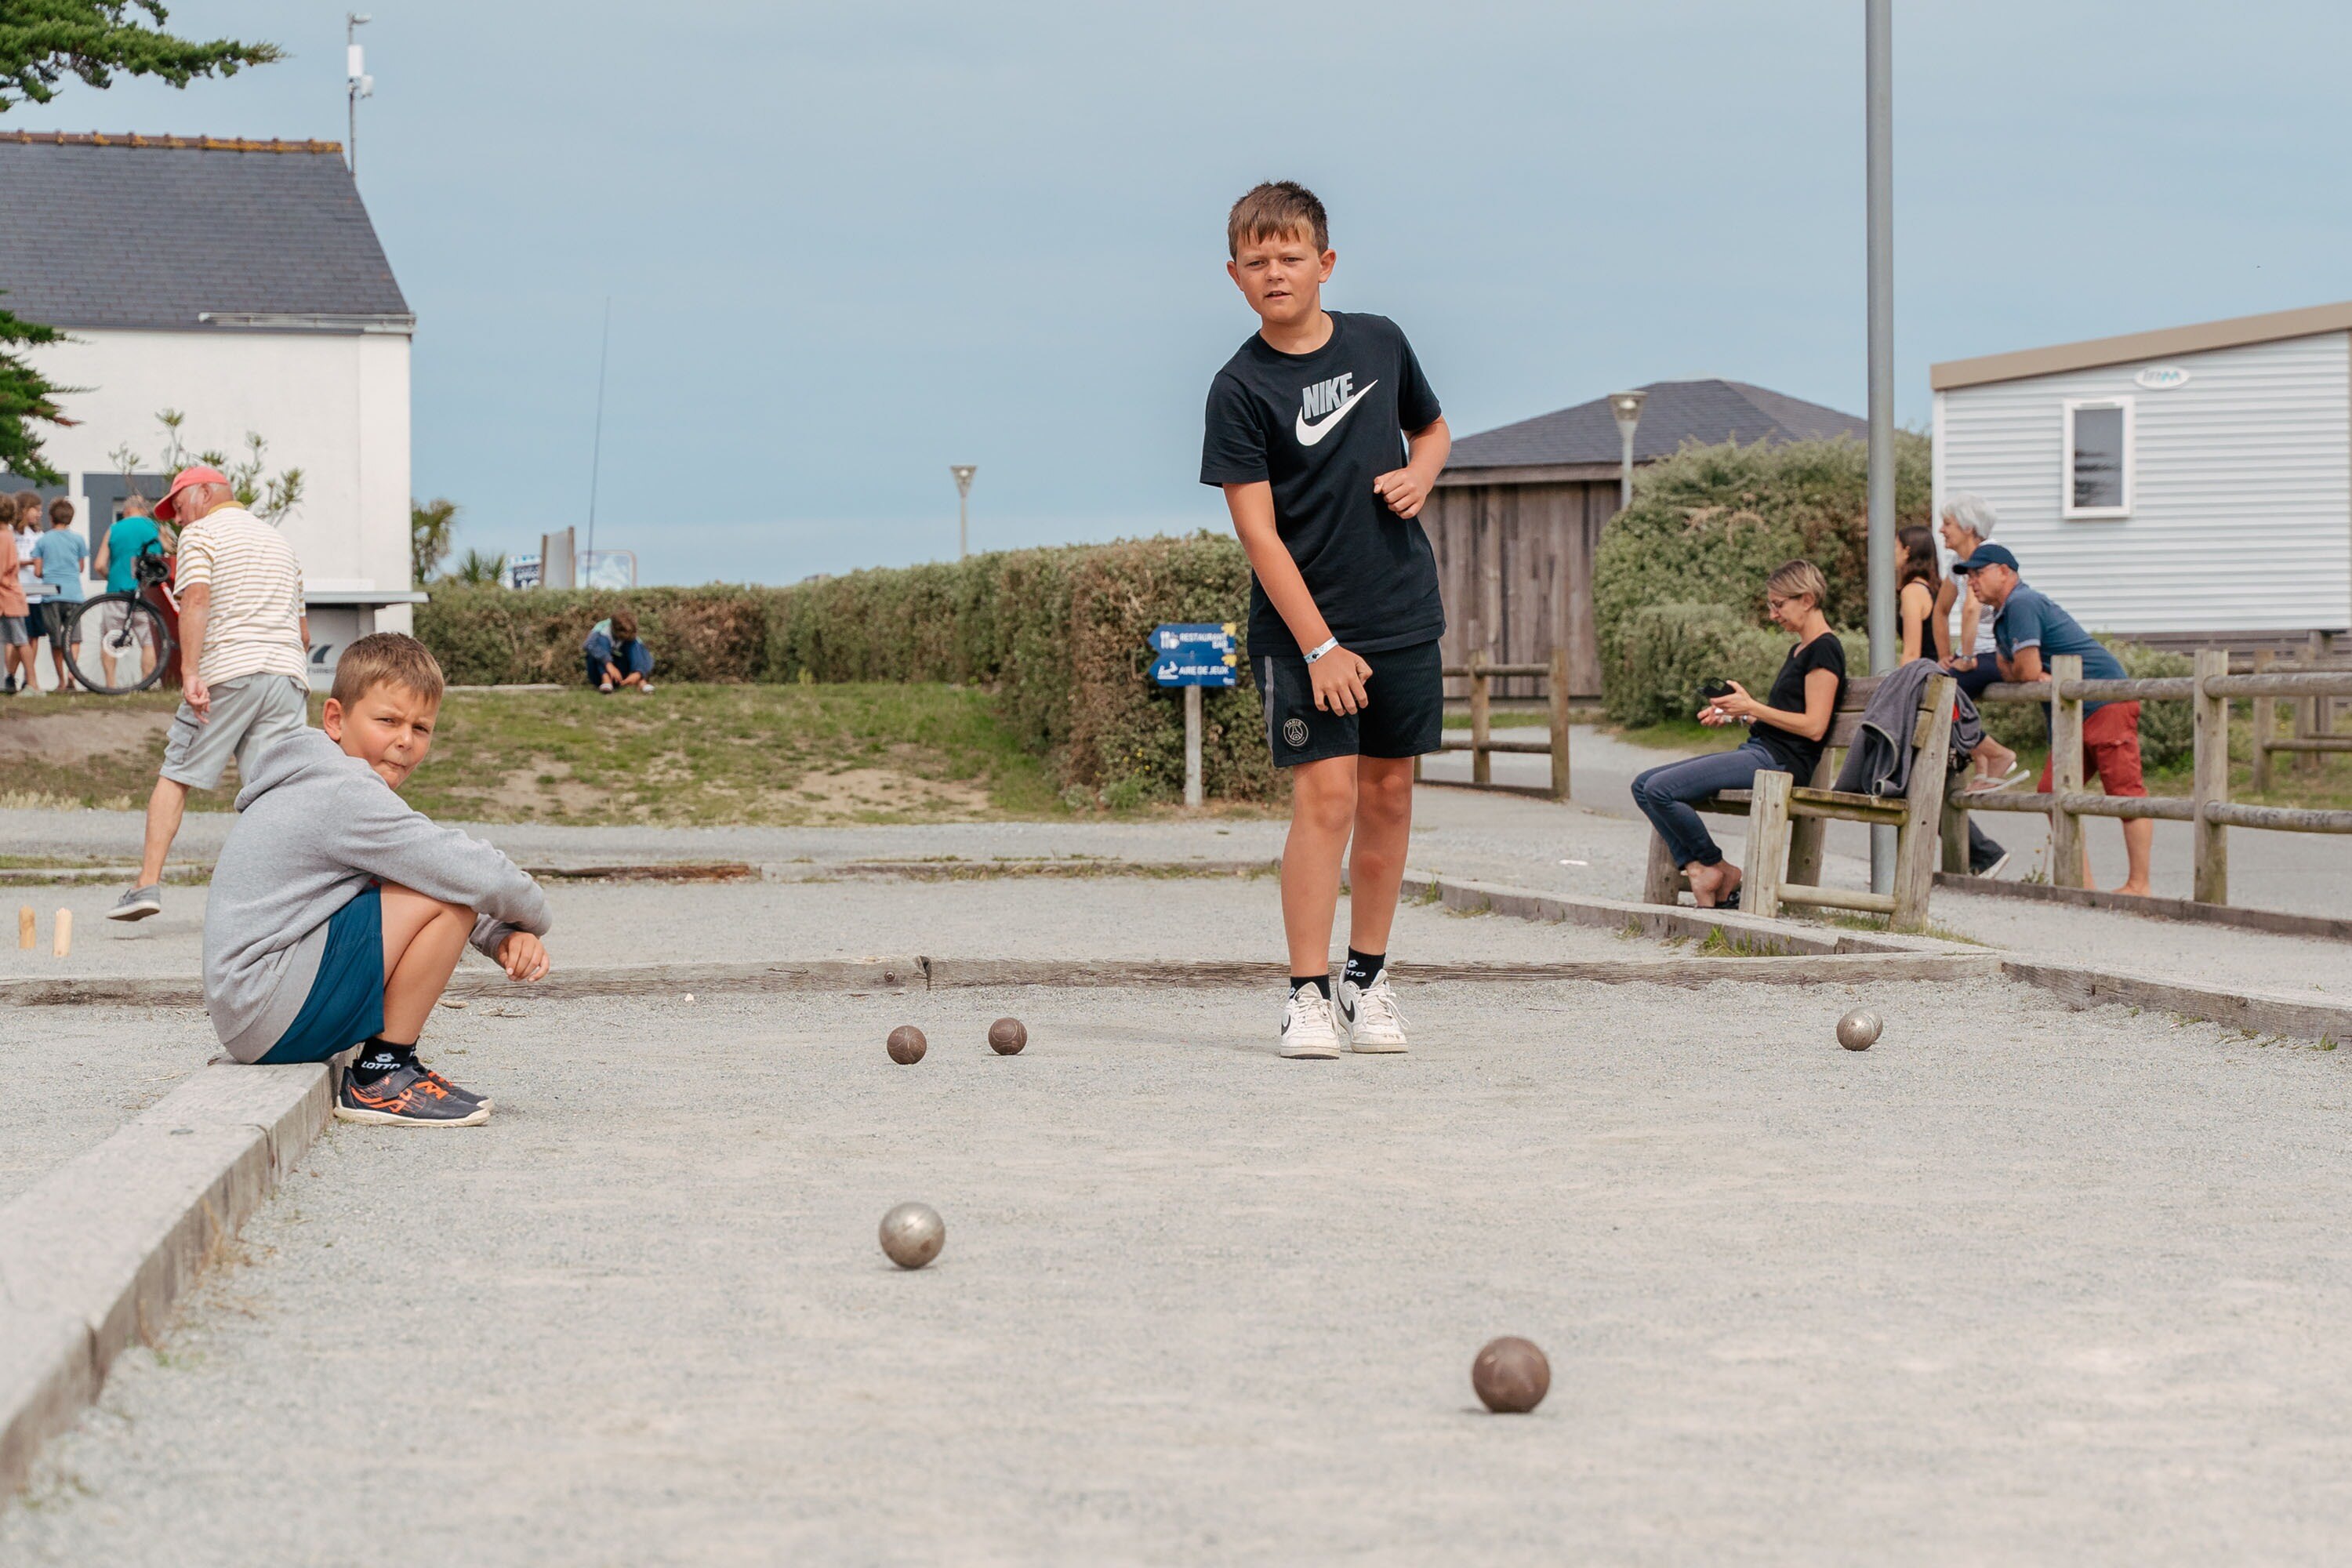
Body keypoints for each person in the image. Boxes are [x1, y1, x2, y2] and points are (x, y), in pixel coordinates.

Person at [1200, 180, 1451, 1059]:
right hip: (1306, 633)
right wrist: (1320, 645)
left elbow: (1434, 429)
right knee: (1328, 797)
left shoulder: (1382, 341)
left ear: (1325, 262)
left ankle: (1369, 978)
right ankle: (1307, 994)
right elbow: (1259, 536)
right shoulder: (1239, 388)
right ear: (1235, 275)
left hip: (1402, 614)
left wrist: (1423, 473)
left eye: (1291, 255)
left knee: (1389, 796)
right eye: (1258, 260)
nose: (1276, 271)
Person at [204, 633, 551, 1124]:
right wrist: (535, 916)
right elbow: (470, 874)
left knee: (446, 894)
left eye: (421, 728)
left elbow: (422, 875)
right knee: (453, 903)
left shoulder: (325, 778)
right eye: (387, 720)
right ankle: (382, 1076)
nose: (405, 740)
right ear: (335, 719)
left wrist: (500, 938)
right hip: (268, 1008)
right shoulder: (343, 793)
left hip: (257, 1009)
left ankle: (390, 1068)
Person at [108, 465, 311, 923]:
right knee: (274, 789)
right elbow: (303, 632)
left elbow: (196, 600)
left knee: (177, 772)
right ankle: (284, 899)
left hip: (228, 671)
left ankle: (146, 885)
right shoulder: (281, 544)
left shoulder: (203, 536)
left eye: (179, 507)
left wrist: (192, 672)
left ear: (204, 493)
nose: (179, 519)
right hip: (285, 677)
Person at [1631, 560, 1848, 910]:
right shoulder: (1799, 650)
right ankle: (1711, 869)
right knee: (1643, 785)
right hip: (1762, 751)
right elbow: (1785, 719)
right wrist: (1738, 713)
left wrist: (1754, 706)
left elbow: (1814, 726)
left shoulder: (1825, 649)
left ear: (1806, 599)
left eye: (1779, 605)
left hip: (1779, 763)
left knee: (1661, 789)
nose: (1773, 614)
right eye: (1771, 605)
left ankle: (1710, 868)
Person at [1955, 543, 2152, 897]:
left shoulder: (2022, 603)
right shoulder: (2002, 613)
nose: (1972, 582)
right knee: (2053, 791)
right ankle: (2081, 883)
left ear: (2005, 572)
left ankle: (2139, 885)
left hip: (2105, 700)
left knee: (2125, 792)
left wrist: (2027, 671)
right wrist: (2025, 671)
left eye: (1978, 573)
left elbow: (2025, 669)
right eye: (1968, 575)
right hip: (2071, 713)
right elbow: (2013, 670)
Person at [1900, 524, 2011, 878]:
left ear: (1906, 552)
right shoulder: (1939, 582)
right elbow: (1943, 616)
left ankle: (1989, 753)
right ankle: (1979, 854)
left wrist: (1896, 689)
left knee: (1912, 773)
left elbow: (1914, 653)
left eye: (1895, 548)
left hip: (1931, 687)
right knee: (1929, 777)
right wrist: (1949, 655)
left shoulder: (1912, 592)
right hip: (1942, 682)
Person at [1934, 492, 2023, 789]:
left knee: (1939, 696)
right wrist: (1946, 654)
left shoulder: (1989, 555)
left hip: (1996, 651)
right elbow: (1940, 610)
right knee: (1943, 690)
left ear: (1968, 527)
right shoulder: (1957, 562)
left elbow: (1972, 608)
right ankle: (1984, 764)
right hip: (1974, 651)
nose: (1941, 530)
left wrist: (1967, 657)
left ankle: (1998, 754)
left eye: (1947, 523)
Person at [90, 493, 165, 688]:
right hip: (146, 593)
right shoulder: (155, 528)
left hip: (117, 592)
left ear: (127, 510)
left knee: (110, 639)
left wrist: (111, 576)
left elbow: (99, 564)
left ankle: (111, 685)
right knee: (148, 641)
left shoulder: (115, 528)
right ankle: (145, 683)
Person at [31, 498, 87, 691]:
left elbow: (37, 572)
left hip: (51, 593)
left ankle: (62, 681)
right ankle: (73, 674)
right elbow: (81, 568)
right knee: (75, 638)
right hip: (74, 593)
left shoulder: (43, 540)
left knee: (56, 640)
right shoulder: (78, 539)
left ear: (51, 518)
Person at [584, 608, 655, 693]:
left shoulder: (631, 634)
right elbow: (589, 645)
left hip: (620, 674)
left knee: (635, 645)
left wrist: (639, 673)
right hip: (598, 672)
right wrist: (608, 664)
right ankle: (606, 680)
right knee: (601, 642)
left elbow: (646, 656)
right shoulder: (602, 628)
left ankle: (641, 681)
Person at [0, 495, 28, 695]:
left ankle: (32, 681)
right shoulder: (8, 534)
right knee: (18, 640)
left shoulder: (3, 537)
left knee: (19, 640)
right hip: (9, 596)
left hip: (8, 597)